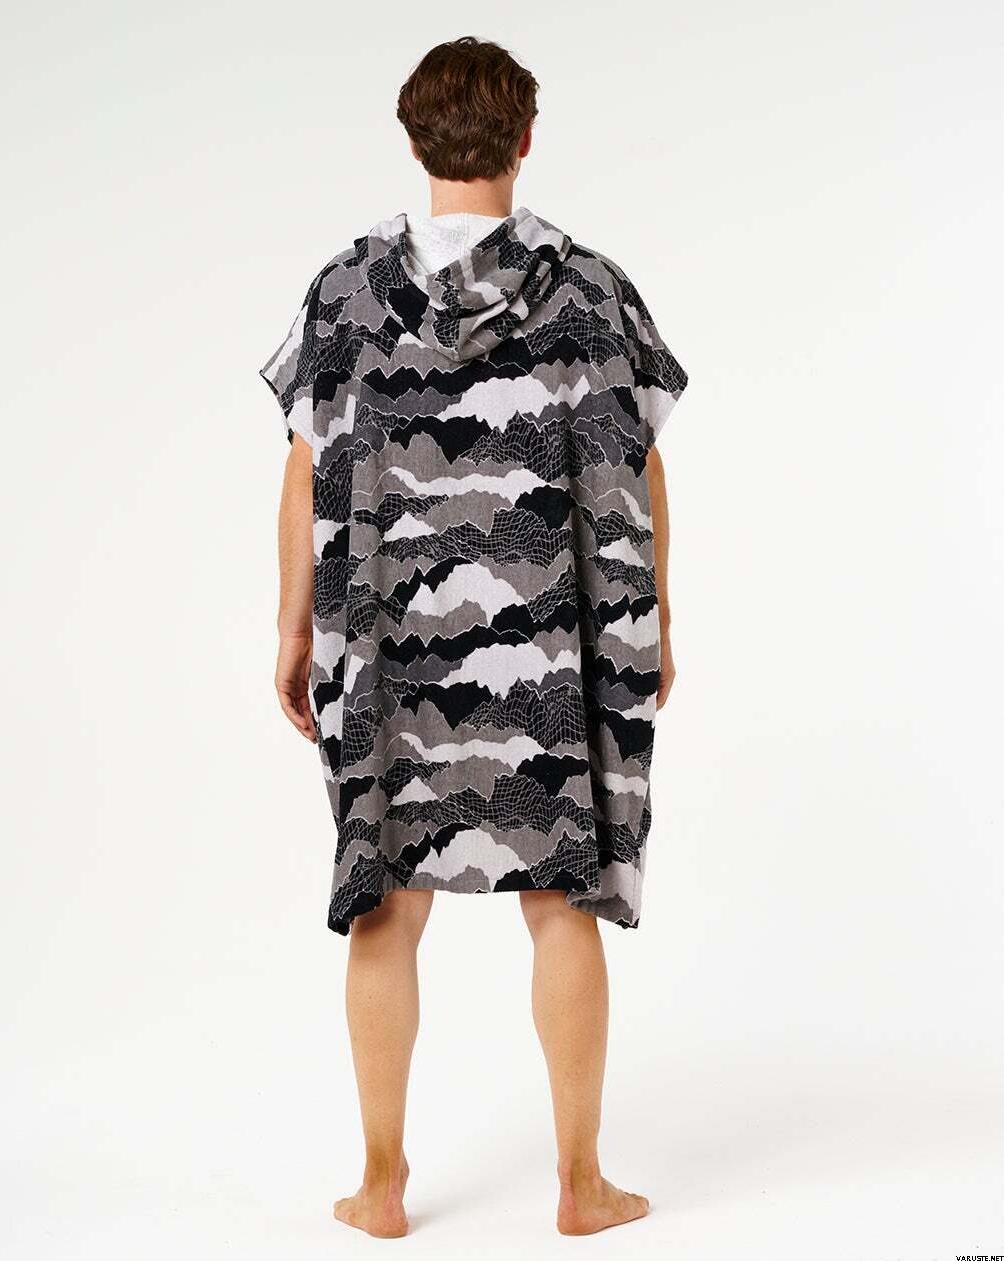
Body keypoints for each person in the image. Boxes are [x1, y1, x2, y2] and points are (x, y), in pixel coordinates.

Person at [258, 35, 687, 1239]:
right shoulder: (592, 291)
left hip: (387, 648)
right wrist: (656, 620)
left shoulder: (346, 293)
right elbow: (643, 465)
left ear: (414, 140)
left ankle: (381, 1182)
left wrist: (291, 627)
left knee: (385, 901)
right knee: (561, 899)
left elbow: (302, 469)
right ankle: (582, 1183)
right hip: (556, 643)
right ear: (526, 139)